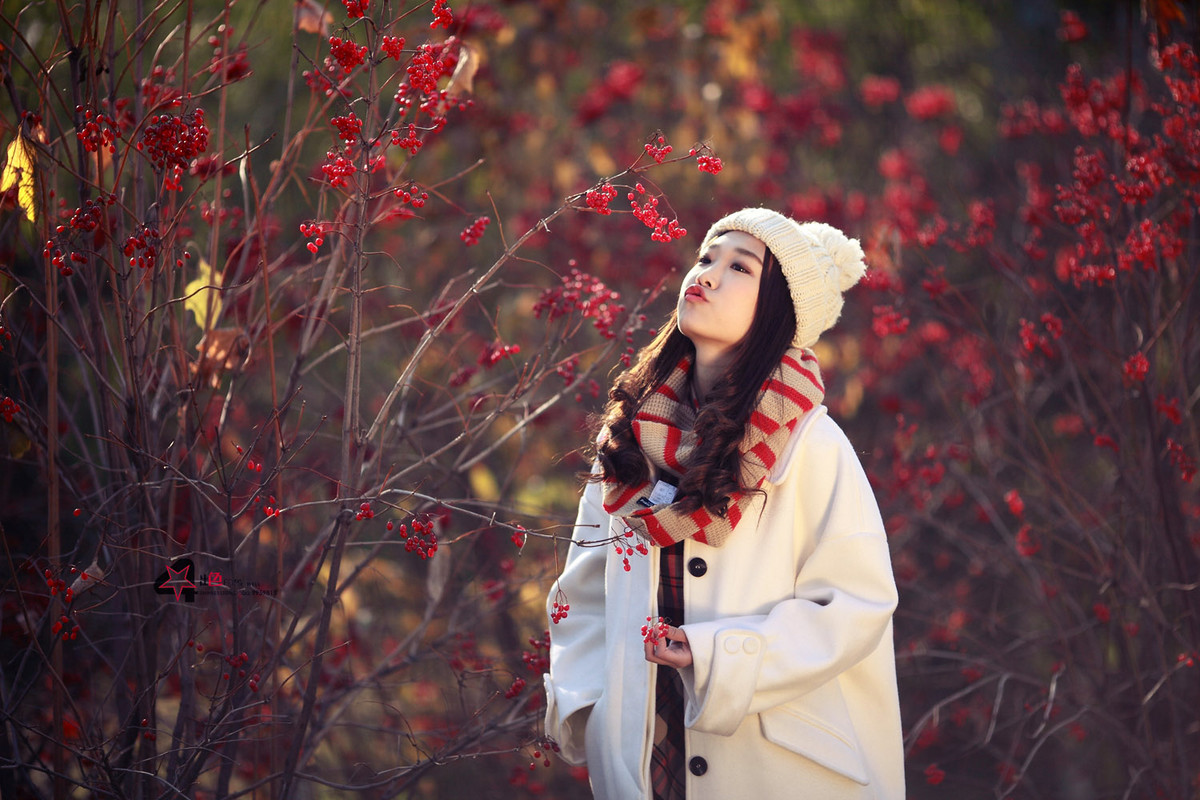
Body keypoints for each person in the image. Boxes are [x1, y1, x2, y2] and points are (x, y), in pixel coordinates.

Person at [542, 208, 905, 800]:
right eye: (707, 257)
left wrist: (717, 656)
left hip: (777, 769)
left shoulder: (812, 445)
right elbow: (583, 589)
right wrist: (590, 708)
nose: (707, 274)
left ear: (778, 310)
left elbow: (857, 606)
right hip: (642, 764)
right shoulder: (629, 436)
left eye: (740, 267)